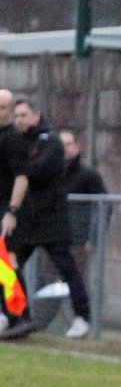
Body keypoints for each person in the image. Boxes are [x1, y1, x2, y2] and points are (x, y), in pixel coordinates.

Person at [9, 99, 92, 339]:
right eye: (16, 115)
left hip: (51, 217)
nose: (18, 120)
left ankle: (82, 317)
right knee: (8, 266)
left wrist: (18, 169)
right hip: (26, 220)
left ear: (36, 115)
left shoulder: (51, 141)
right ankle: (15, 315)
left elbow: (37, 170)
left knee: (66, 267)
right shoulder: (18, 141)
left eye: (23, 115)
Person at [0, 89, 32, 337]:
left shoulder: (12, 139)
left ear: (10, 111)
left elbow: (22, 177)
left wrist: (12, 211)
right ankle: (15, 315)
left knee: (8, 262)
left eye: (2, 108)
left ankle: (20, 316)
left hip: (10, 210)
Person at [60, 129, 108, 279]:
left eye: (69, 144)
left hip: (78, 240)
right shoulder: (50, 172)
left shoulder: (88, 174)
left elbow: (104, 205)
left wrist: (93, 238)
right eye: (61, 145)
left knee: (76, 279)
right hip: (53, 238)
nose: (65, 148)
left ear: (77, 146)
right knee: (49, 280)